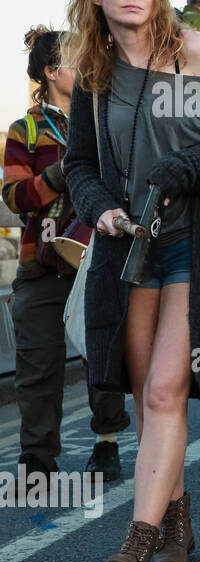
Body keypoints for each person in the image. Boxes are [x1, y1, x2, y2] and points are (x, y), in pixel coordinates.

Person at [62, 0, 200, 562]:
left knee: (169, 391)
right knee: (147, 399)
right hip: (130, 247)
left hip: (193, 242)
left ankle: (135, 544)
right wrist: (102, 211)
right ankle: (177, 521)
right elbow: (79, 169)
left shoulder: (193, 50)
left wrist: (184, 168)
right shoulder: (91, 76)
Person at [3, 27, 130, 481]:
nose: (89, 67)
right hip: (41, 264)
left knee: (102, 354)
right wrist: (63, 169)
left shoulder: (103, 118)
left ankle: (107, 441)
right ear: (53, 72)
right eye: (78, 61)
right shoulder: (27, 129)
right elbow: (16, 196)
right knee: (37, 363)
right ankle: (37, 456)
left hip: (97, 259)